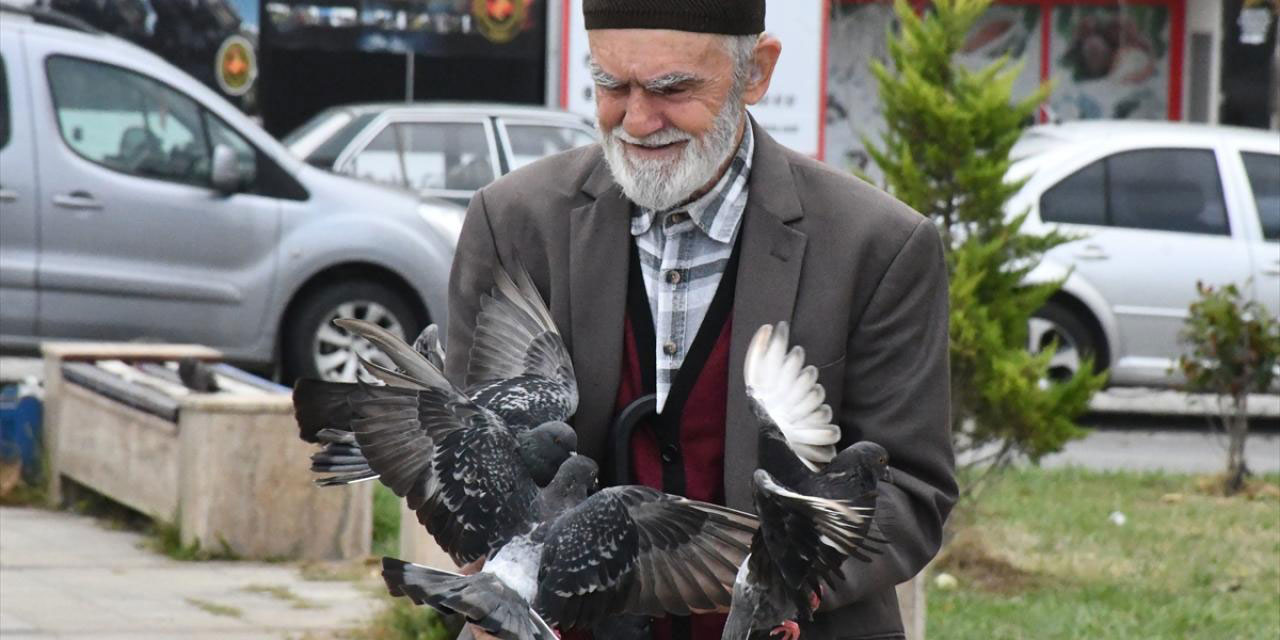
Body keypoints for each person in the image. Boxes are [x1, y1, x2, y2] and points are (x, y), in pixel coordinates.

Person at [444, 1, 957, 638]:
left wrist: (776, 582)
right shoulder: (512, 221)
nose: (636, 119)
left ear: (756, 73)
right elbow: (466, 442)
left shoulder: (877, 246)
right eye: (610, 85)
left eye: (672, 89)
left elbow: (910, 488)